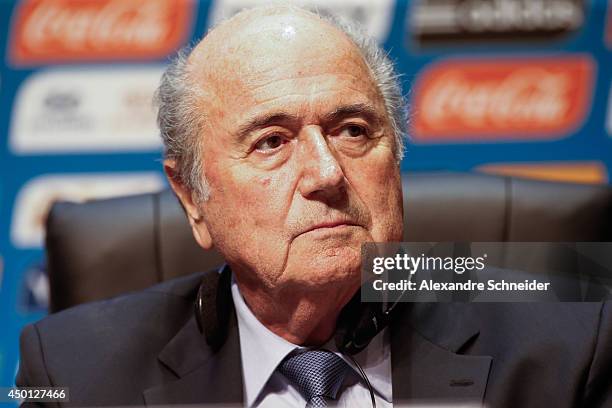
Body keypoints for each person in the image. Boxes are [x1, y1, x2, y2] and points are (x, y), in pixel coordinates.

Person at [16, 5, 611, 408]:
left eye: (353, 130)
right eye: (271, 141)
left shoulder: (572, 345)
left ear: (395, 159)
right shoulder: (67, 374)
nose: (328, 174)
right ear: (193, 198)